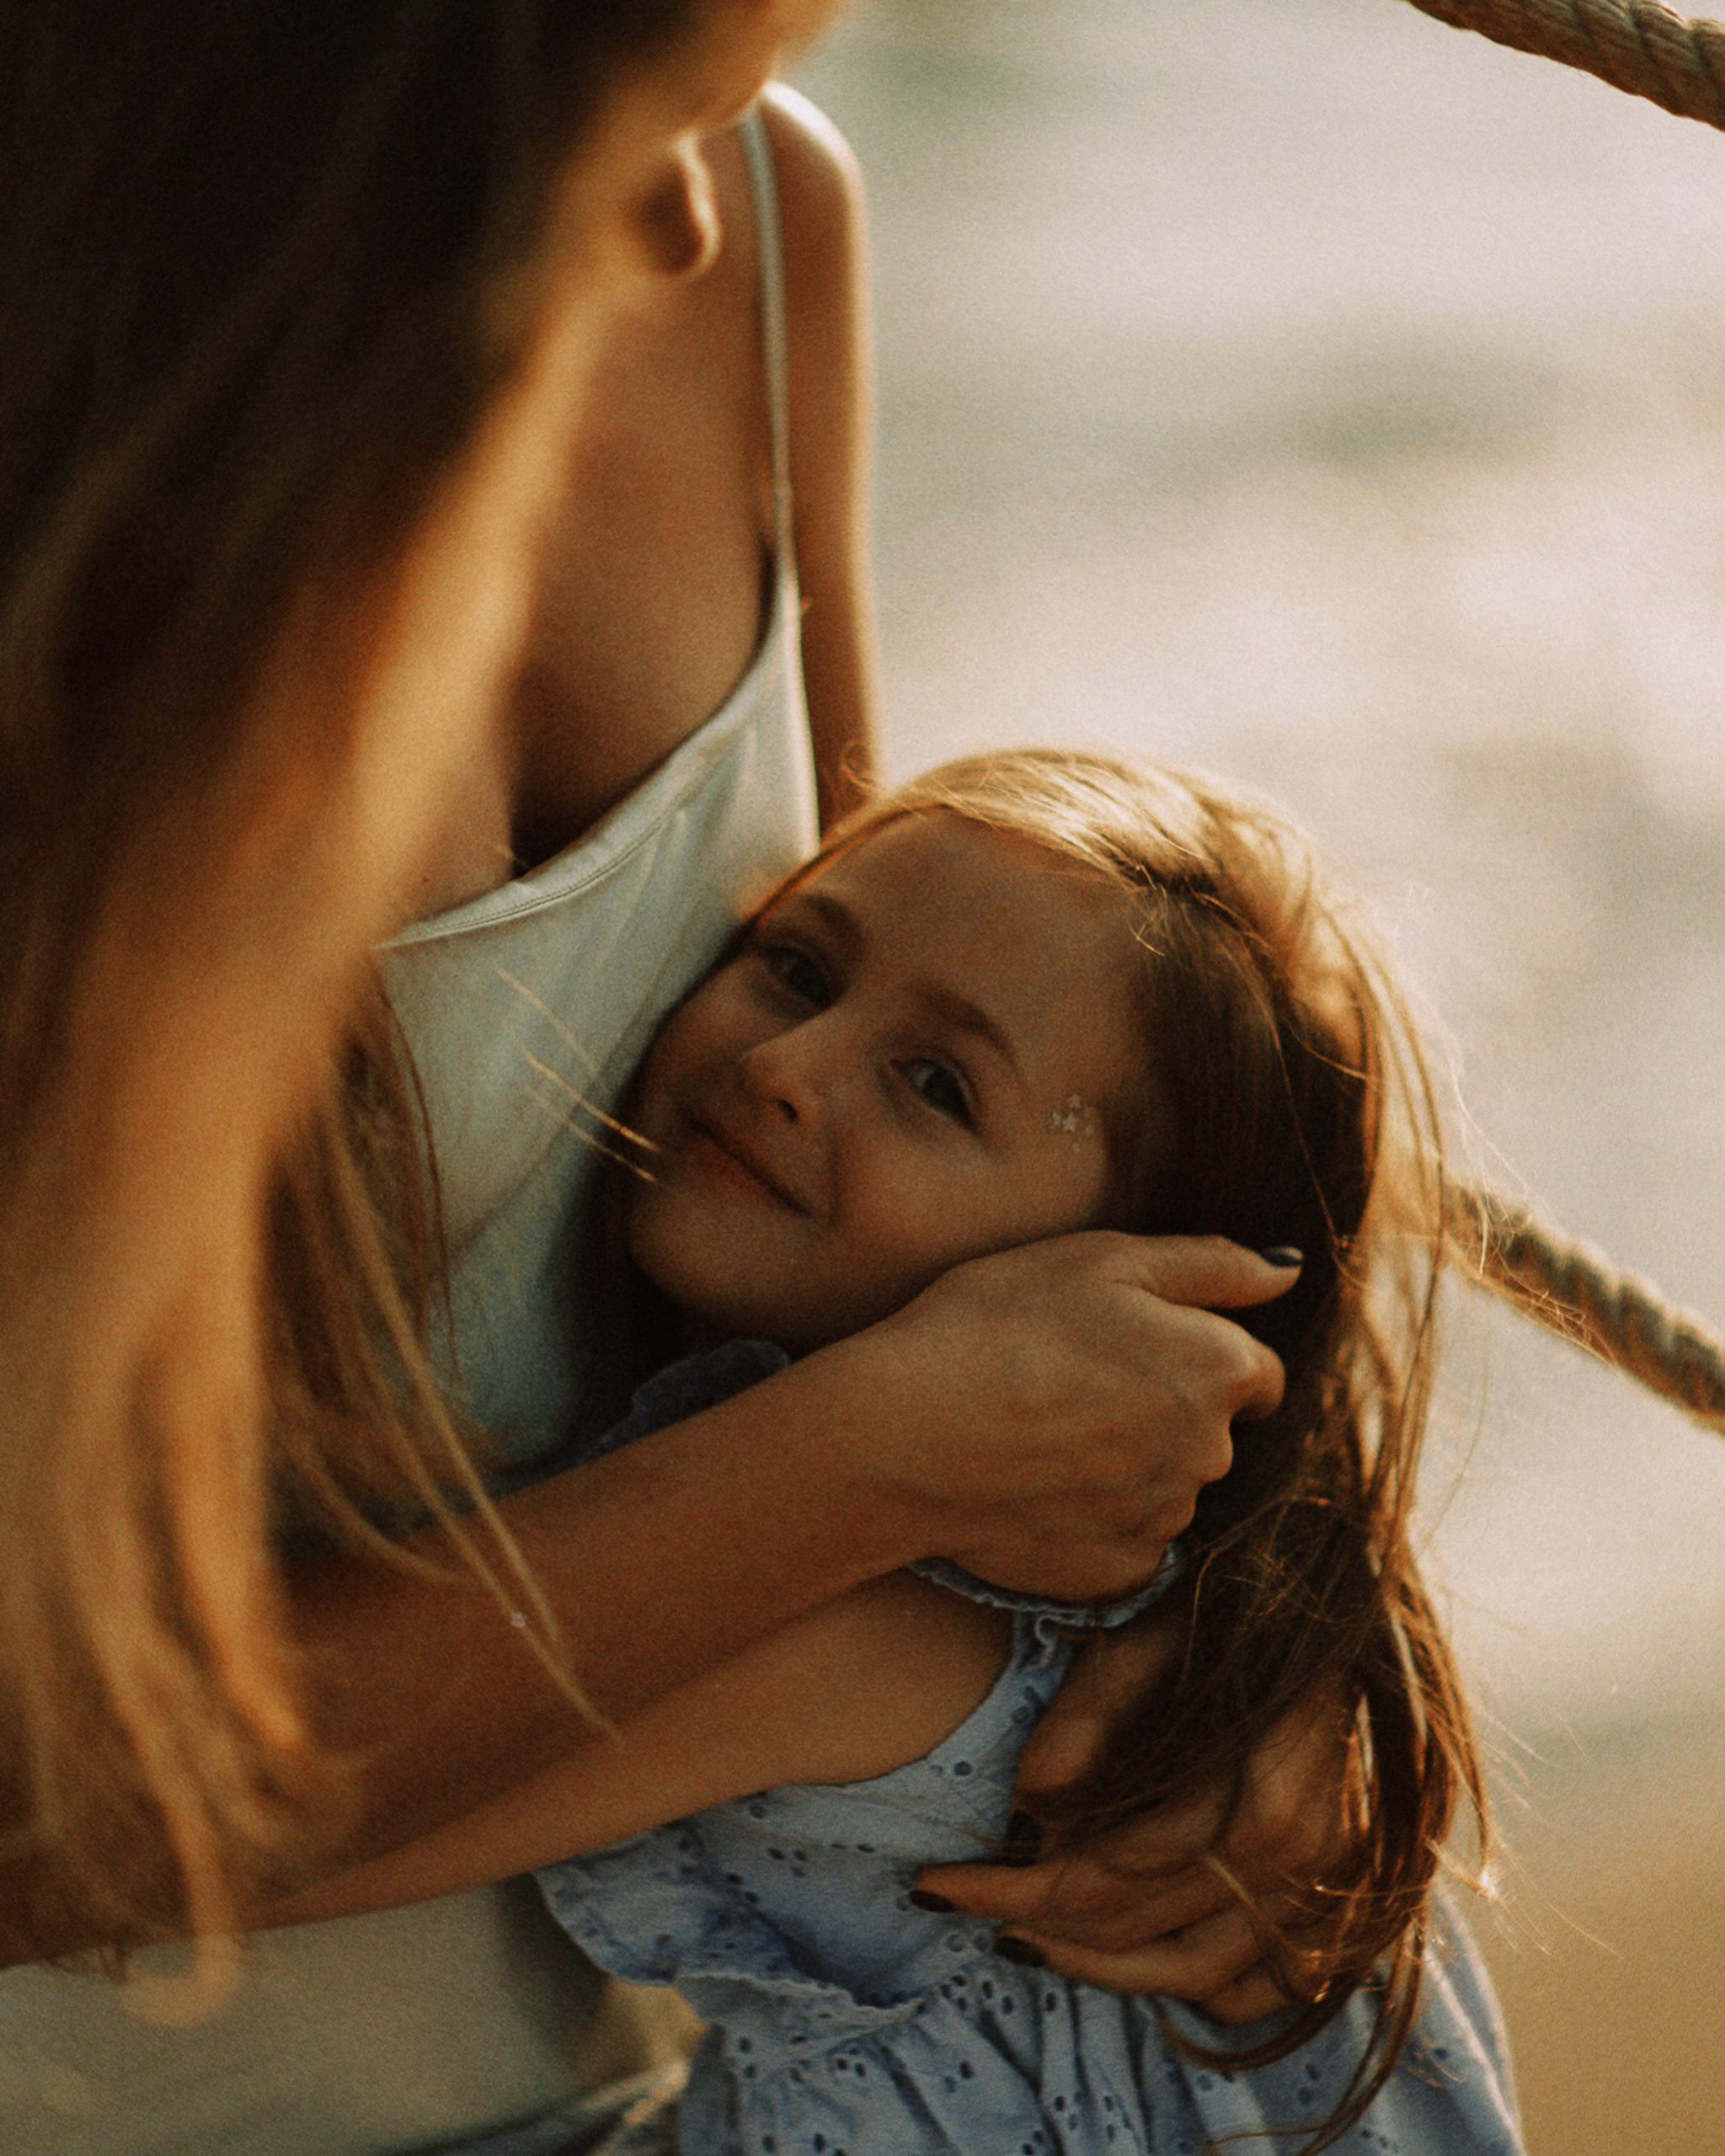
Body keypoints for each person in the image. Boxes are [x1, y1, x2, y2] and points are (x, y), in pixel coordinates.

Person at [0, 8, 1305, 2153]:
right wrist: (867, 1467)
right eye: (627, 72)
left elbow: (912, 1143)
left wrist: (1250, 1636)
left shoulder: (772, 227)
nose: (697, 201)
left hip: (675, 2087)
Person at [265, 750, 1526, 2156]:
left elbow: (251, 1839)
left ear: (1132, 1277)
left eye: (934, 1084)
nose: (783, 1069)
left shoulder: (871, 1611)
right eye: (799, 969)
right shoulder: (1156, 1576)